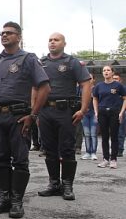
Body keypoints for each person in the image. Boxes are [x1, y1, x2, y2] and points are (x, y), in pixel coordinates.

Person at [0, 21, 50, 219]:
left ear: (19, 37)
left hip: (19, 116)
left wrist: (33, 115)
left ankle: (17, 201)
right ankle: (4, 198)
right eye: (2, 33)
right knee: (0, 157)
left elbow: (44, 87)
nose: (4, 36)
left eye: (9, 33)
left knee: (20, 160)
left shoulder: (28, 59)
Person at [37, 33, 90, 201]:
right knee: (49, 149)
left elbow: (86, 83)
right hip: (45, 111)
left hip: (66, 111)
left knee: (67, 148)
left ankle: (67, 185)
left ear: (64, 43)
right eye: (50, 39)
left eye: (56, 40)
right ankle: (54, 184)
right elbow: (34, 88)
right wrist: (34, 111)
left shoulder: (72, 62)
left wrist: (83, 109)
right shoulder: (41, 63)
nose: (52, 42)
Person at [93, 65, 126, 169]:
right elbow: (95, 98)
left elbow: (125, 98)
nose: (106, 72)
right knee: (104, 137)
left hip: (114, 112)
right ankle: (105, 159)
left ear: (112, 72)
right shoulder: (99, 86)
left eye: (108, 70)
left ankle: (113, 159)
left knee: (114, 136)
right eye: (104, 70)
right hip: (102, 112)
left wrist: (121, 112)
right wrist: (96, 112)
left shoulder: (118, 86)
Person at [81, 74, 98, 161]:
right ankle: (88, 152)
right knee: (87, 134)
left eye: (90, 78)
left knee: (93, 134)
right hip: (85, 114)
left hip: (93, 113)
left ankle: (93, 152)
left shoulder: (97, 89)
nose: (88, 79)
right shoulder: (82, 89)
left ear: (93, 80)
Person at [112, 72, 126, 157]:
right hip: (112, 113)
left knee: (120, 132)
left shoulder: (124, 88)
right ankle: (114, 149)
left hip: (122, 112)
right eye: (113, 79)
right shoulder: (109, 88)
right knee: (113, 132)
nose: (115, 80)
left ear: (120, 80)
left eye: (116, 79)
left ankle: (120, 150)